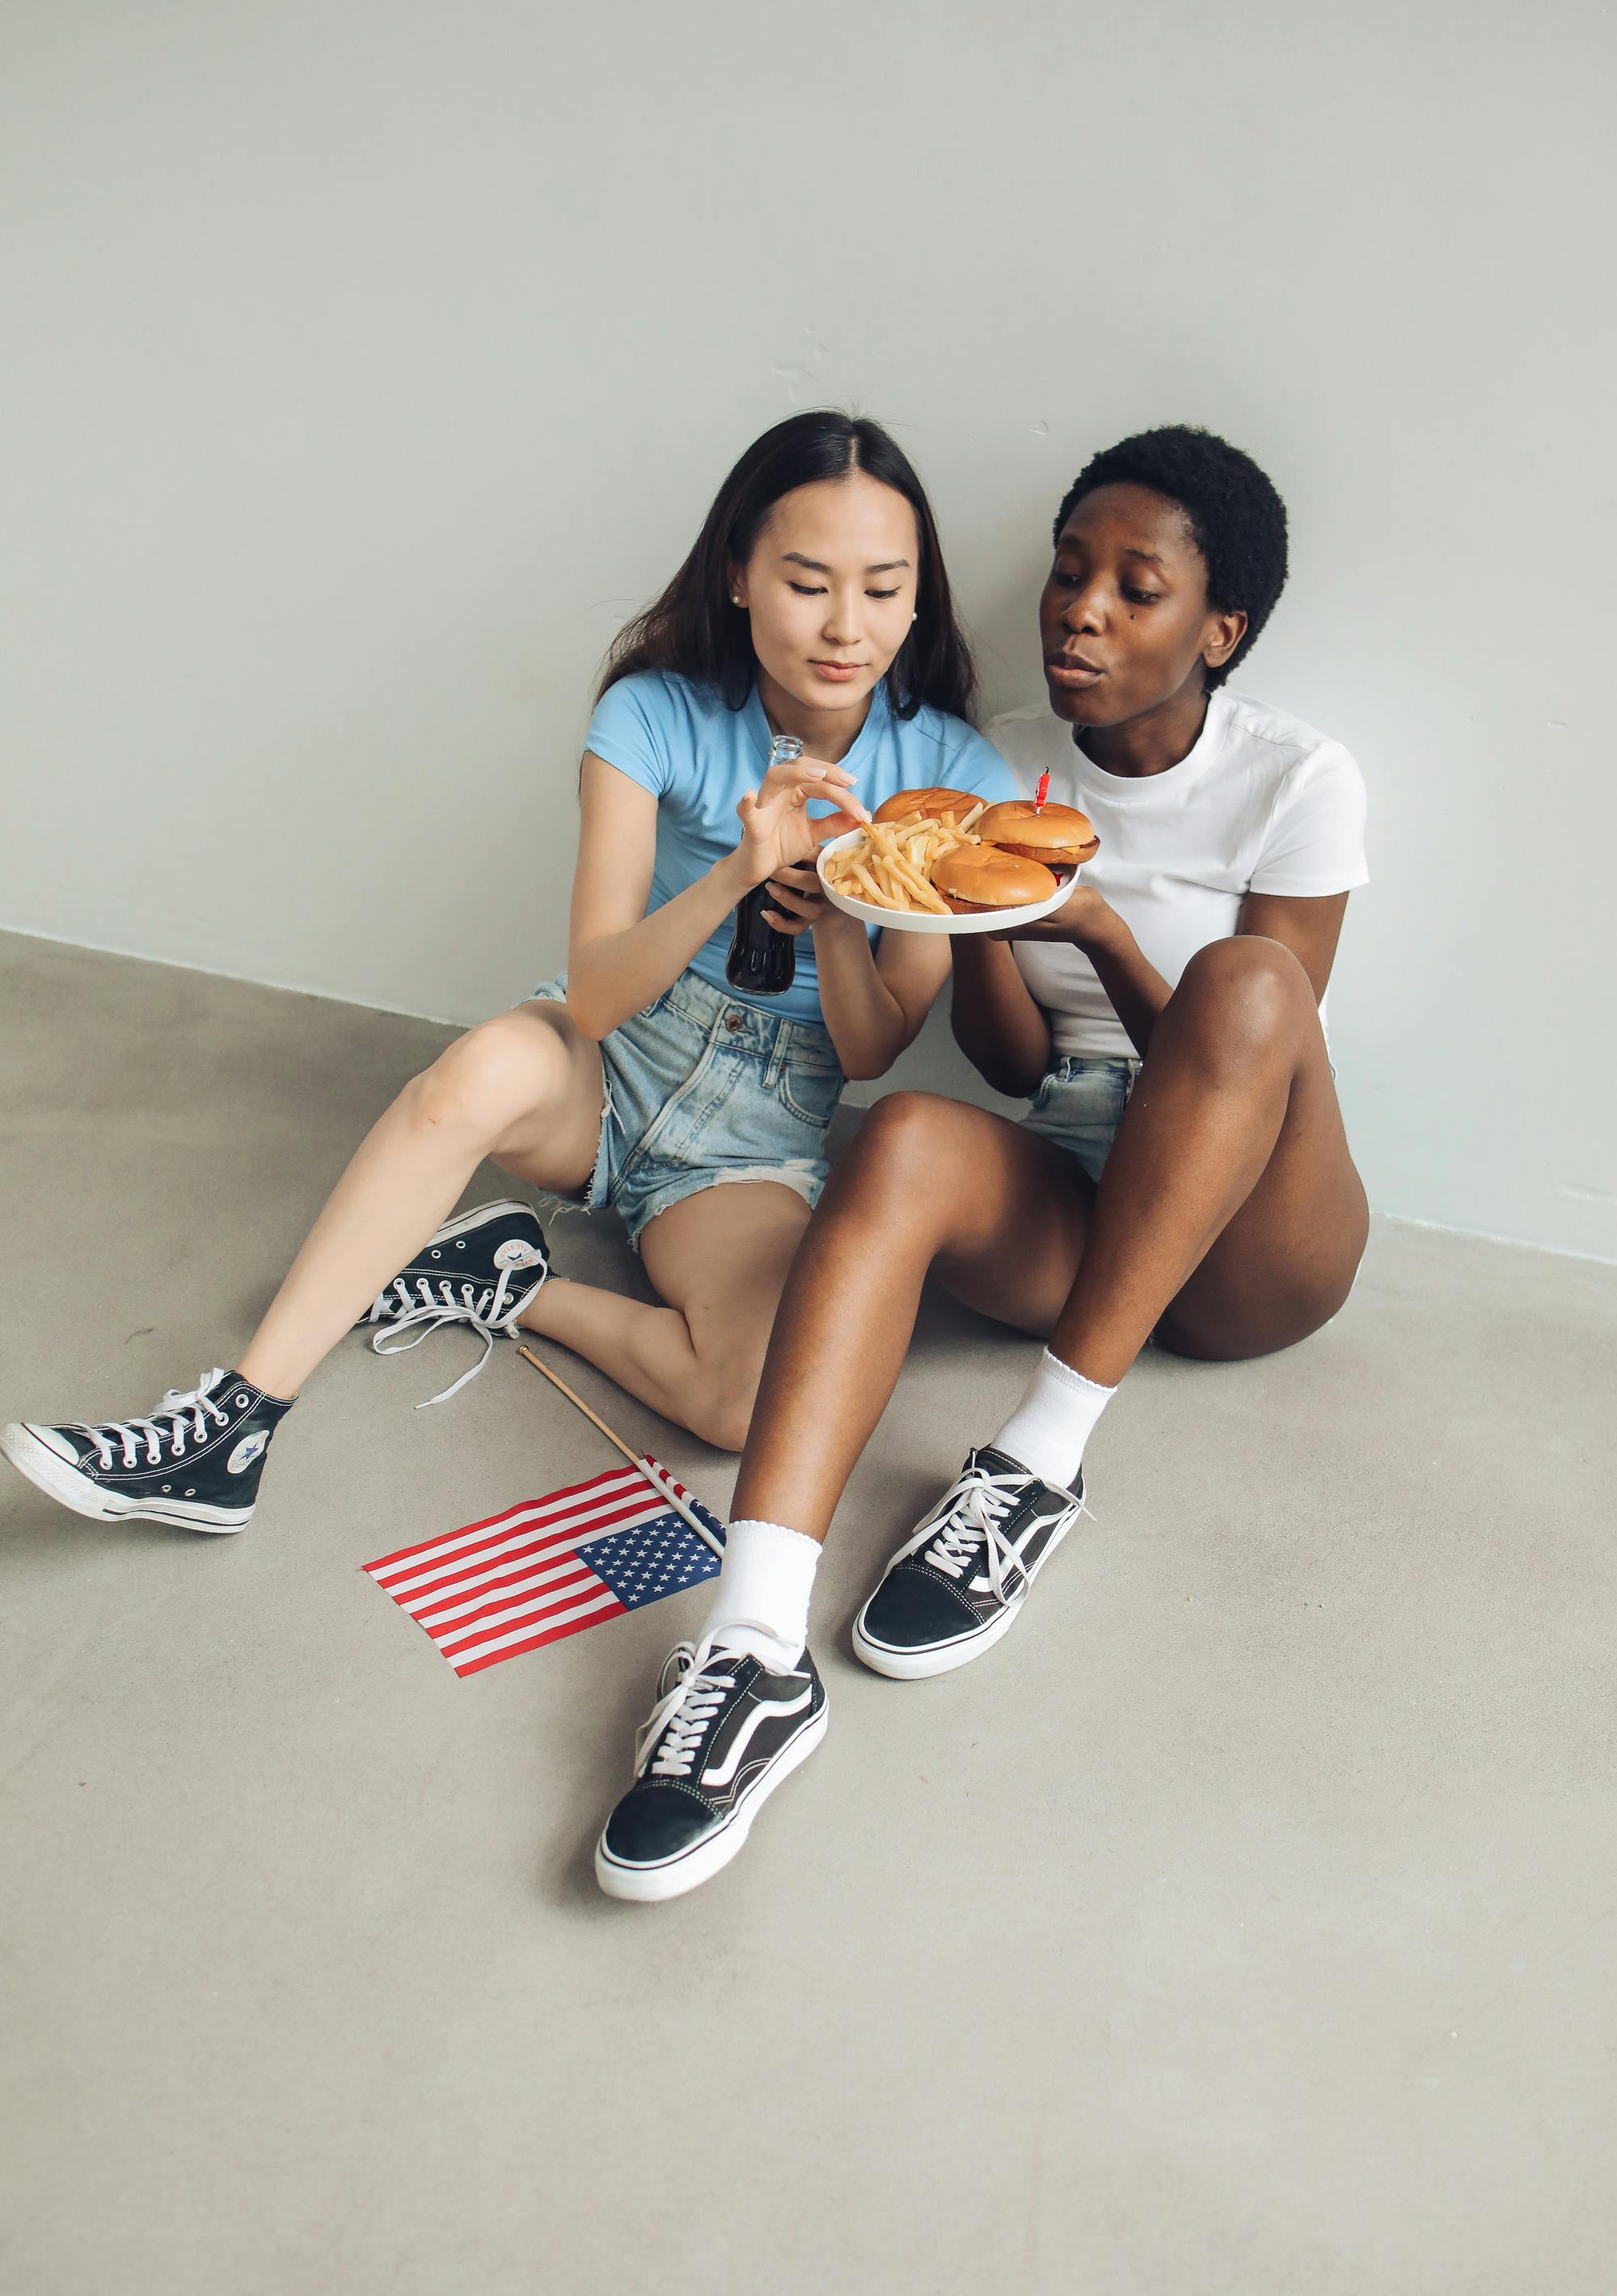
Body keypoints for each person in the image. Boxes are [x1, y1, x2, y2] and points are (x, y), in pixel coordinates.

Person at [593, 426, 1370, 1903]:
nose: (1080, 609)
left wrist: (1104, 936)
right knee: (904, 1135)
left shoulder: (1297, 780)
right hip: (1079, 1194)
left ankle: (1032, 1465)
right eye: (1071, 574)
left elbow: (1253, 1057)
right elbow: (1013, 1071)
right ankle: (757, 1651)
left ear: (1223, 630)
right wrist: (971, 923)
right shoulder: (990, 767)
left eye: (1134, 590)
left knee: (1249, 983)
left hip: (1256, 1234)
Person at [2, 411, 1012, 1536]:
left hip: (759, 1135)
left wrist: (829, 916)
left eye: (883, 587)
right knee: (482, 1068)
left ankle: (514, 1286)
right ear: (737, 576)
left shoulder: (950, 775)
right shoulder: (651, 713)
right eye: (807, 582)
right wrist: (734, 876)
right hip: (612, 1061)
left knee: (743, 1404)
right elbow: (592, 995)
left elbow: (874, 1049)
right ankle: (234, 1426)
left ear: (920, 592)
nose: (846, 627)